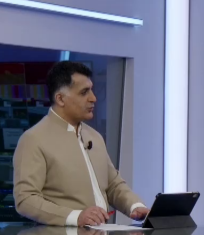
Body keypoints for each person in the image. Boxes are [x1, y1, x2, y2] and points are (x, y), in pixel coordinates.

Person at [13, 61, 148, 226]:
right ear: (60, 99)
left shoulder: (94, 137)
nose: (93, 98)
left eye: (91, 90)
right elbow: (25, 199)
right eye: (84, 92)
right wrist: (76, 217)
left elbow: (113, 185)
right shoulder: (33, 139)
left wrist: (135, 206)